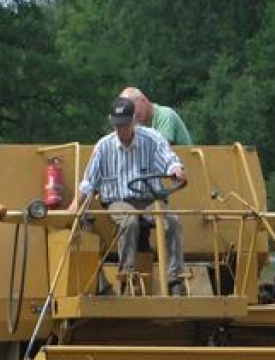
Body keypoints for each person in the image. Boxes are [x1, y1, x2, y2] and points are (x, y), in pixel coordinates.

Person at [68, 96, 188, 295]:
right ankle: (127, 277)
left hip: (150, 200)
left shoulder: (152, 138)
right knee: (129, 221)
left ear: (133, 120)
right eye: (117, 125)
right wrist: (72, 210)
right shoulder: (103, 147)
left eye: (124, 125)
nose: (120, 130)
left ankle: (175, 280)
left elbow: (169, 159)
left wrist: (176, 169)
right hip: (118, 201)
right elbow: (88, 184)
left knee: (172, 222)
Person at [120, 86, 193, 145]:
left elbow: (161, 149)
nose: (134, 115)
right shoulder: (138, 123)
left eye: (133, 109)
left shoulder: (166, 115)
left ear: (143, 100)